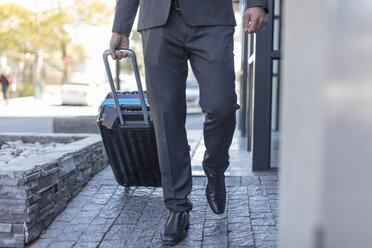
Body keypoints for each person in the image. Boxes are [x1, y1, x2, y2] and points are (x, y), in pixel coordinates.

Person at [110, 0, 268, 245]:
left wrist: (258, 3)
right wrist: (121, 27)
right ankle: (177, 207)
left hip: (212, 17)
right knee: (166, 117)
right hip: (158, 21)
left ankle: (215, 168)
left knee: (222, 106)